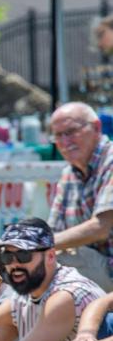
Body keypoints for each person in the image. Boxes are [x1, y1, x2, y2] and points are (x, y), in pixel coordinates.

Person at [46, 102, 113, 292]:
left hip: (109, 268)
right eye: (59, 135)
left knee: (45, 265)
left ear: (96, 127)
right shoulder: (69, 173)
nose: (65, 142)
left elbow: (100, 228)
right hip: (93, 267)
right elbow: (53, 230)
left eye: (72, 131)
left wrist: (38, 245)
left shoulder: (110, 161)